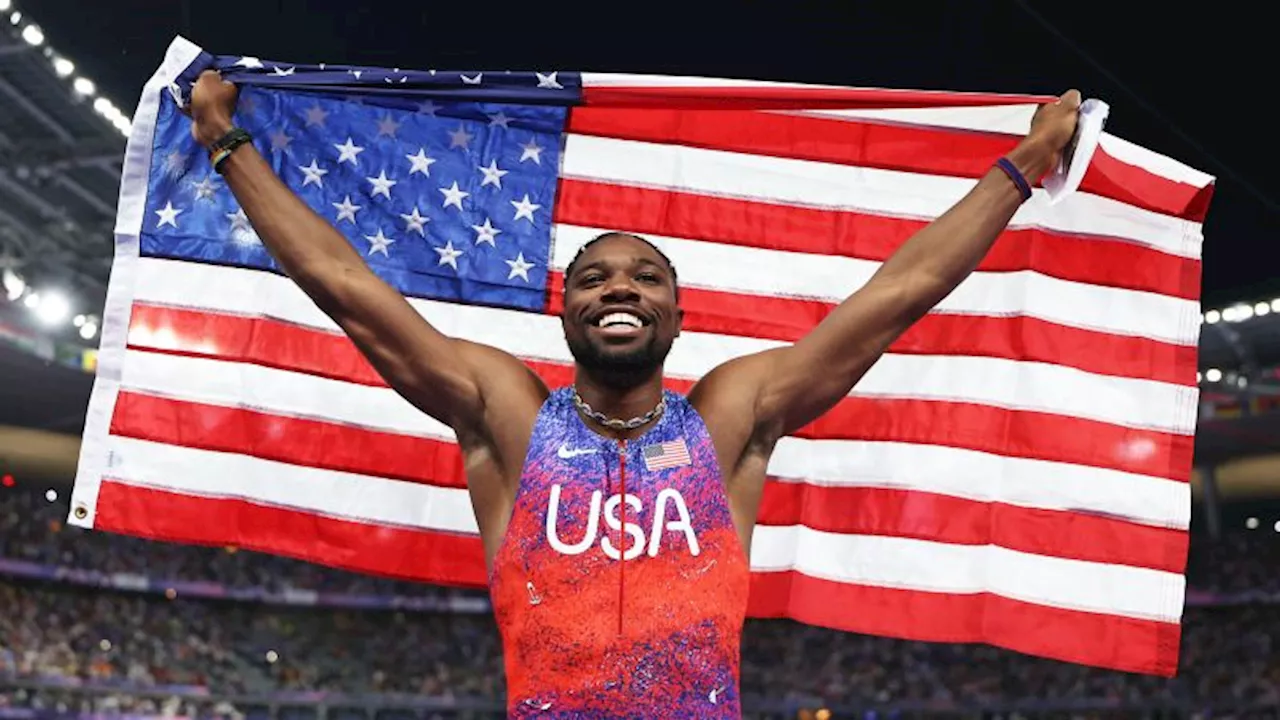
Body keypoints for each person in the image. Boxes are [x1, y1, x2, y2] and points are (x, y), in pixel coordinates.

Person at [186, 70, 1081, 718]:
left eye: (645, 277)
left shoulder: (730, 416)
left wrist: (1025, 165)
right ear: (566, 312)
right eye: (596, 278)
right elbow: (347, 286)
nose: (620, 287)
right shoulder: (506, 415)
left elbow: (896, 296)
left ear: (679, 318)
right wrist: (228, 146)